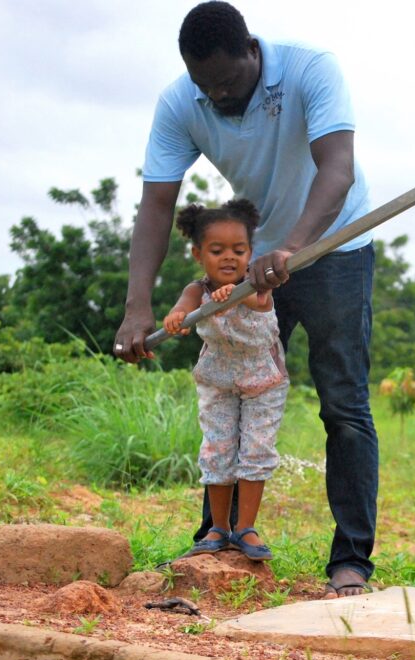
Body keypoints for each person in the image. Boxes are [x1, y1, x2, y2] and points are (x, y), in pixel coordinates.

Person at [113, 1, 378, 598]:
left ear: (251, 51)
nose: (220, 98)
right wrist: (139, 307)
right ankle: (218, 539)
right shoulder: (182, 101)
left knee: (343, 405)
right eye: (207, 87)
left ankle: (351, 561)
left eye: (229, 83)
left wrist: (292, 247)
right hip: (253, 269)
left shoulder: (311, 69)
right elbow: (157, 205)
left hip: (334, 246)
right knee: (230, 391)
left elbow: (336, 170)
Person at [164, 199, 287, 561]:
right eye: (217, 251)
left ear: (251, 252)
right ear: (198, 254)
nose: (229, 257)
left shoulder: (255, 283)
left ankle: (245, 528)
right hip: (218, 379)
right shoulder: (197, 289)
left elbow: (260, 304)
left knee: (255, 450)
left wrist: (233, 296)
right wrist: (177, 317)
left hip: (262, 381)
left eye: (239, 249)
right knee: (216, 449)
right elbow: (183, 308)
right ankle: (218, 528)